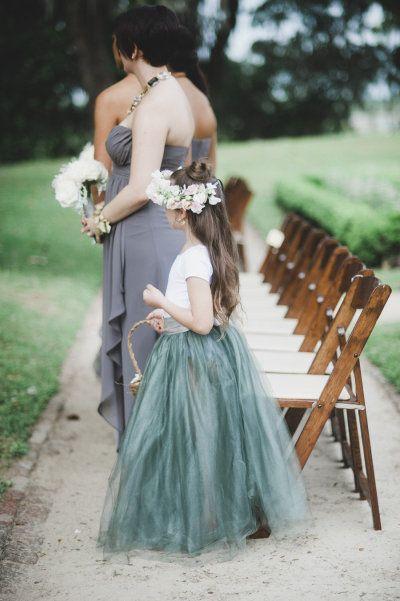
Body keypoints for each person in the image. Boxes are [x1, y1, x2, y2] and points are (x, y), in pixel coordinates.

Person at [97, 161, 308, 557]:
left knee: (194, 437)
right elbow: (196, 312)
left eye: (167, 205)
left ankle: (202, 518)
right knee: (193, 436)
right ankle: (200, 514)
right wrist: (167, 314)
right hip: (187, 348)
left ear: (183, 211)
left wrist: (161, 300)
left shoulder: (194, 258)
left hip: (190, 357)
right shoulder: (198, 250)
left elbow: (201, 322)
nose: (162, 210)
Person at [81, 5, 194, 446]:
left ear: (134, 46)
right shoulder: (162, 92)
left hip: (145, 234)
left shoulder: (157, 102)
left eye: (118, 42)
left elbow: (143, 186)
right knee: (144, 343)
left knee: (143, 347)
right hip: (145, 233)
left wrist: (98, 219)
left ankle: (153, 457)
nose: (115, 50)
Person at [169, 28, 217, 168]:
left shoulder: (166, 95)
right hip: (205, 185)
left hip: (172, 187)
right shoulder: (202, 97)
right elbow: (212, 163)